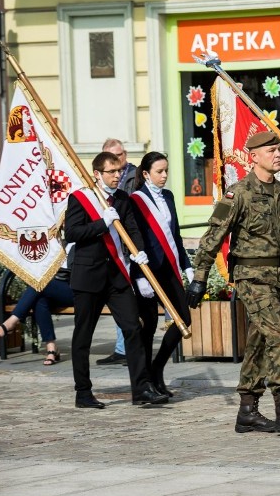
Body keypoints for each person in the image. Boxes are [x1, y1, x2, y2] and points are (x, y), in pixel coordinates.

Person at [186, 131, 280, 437]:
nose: (277, 155)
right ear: (254, 156)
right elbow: (212, 236)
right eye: (271, 150)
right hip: (251, 277)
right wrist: (199, 278)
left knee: (260, 342)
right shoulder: (237, 194)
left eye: (279, 150)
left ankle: (247, 411)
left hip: (279, 277)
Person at [65, 151, 167, 409]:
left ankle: (141, 389)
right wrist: (102, 223)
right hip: (88, 276)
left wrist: (139, 254)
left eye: (119, 170)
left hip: (117, 276)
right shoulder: (80, 198)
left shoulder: (122, 198)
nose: (118, 175)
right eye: (111, 172)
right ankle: (83, 393)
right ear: (97, 174)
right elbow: (73, 233)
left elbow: (132, 229)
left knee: (133, 328)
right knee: (83, 336)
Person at [129, 152, 193, 398]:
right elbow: (135, 239)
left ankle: (157, 369)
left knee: (183, 318)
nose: (164, 176)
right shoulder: (136, 200)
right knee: (149, 325)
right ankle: (144, 383)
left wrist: (186, 265)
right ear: (145, 174)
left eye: (166, 170)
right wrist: (139, 275)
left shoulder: (168, 196)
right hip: (147, 270)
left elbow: (174, 236)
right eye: (159, 171)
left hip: (168, 267)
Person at [0, 244, 76, 365]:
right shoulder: (61, 243)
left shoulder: (84, 242)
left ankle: (11, 322)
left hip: (75, 290)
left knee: (40, 284)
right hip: (54, 288)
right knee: (40, 301)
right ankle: (51, 349)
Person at [97, 138, 138, 366]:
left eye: (120, 154)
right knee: (120, 299)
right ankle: (123, 348)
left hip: (130, 246)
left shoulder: (134, 176)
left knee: (132, 300)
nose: (118, 161)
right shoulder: (102, 179)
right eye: (112, 157)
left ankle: (129, 348)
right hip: (111, 247)